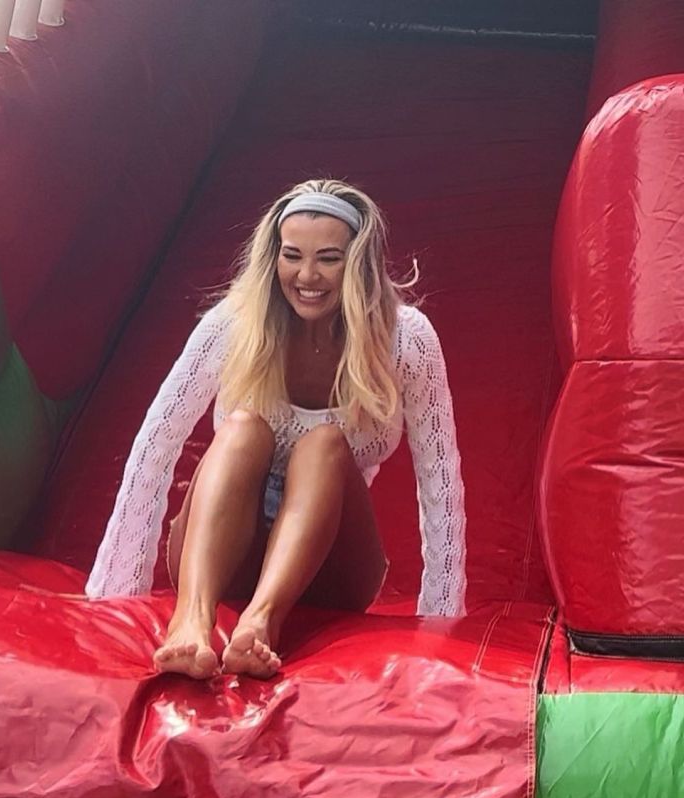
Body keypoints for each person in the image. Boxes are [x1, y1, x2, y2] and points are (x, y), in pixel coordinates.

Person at [85, 179, 466, 680]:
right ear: (274, 257)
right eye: (293, 256)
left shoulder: (405, 339)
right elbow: (157, 442)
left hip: (327, 568)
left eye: (328, 258)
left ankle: (260, 624)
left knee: (325, 443)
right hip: (225, 553)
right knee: (244, 428)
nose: (307, 275)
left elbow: (440, 481)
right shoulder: (237, 322)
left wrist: (442, 620)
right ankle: (191, 623)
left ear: (357, 262)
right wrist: (117, 594)